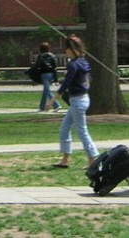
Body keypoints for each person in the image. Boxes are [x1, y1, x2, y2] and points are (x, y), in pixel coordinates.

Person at [51, 35, 99, 168]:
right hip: (82, 99)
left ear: (71, 49)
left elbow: (66, 83)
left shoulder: (73, 64)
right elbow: (88, 80)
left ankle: (93, 159)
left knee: (82, 131)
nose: (65, 51)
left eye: (66, 48)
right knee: (64, 129)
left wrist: (53, 100)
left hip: (78, 101)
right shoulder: (83, 62)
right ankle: (65, 160)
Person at [34, 41, 62, 113]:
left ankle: (56, 105)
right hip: (51, 74)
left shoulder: (40, 56)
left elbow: (37, 66)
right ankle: (42, 107)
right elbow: (55, 67)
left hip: (44, 74)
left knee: (47, 90)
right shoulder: (52, 55)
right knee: (46, 91)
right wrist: (56, 79)